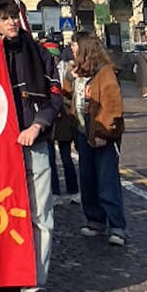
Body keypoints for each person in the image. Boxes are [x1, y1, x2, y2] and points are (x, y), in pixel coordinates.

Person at [0, 0, 63, 292]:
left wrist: (37, 125)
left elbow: (55, 97)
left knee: (40, 215)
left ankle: (35, 283)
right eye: (4, 18)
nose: (10, 22)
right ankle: (2, 275)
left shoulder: (41, 55)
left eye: (14, 16)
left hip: (35, 143)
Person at [65, 31, 127, 245]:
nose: (72, 49)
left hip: (102, 135)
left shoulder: (104, 73)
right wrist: (68, 79)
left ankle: (117, 226)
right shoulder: (78, 73)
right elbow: (66, 98)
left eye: (74, 45)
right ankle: (95, 221)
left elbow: (112, 104)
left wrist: (104, 132)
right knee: (88, 179)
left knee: (107, 181)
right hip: (83, 134)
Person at [50, 46, 80, 204]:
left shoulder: (67, 71)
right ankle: (55, 192)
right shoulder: (42, 71)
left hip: (63, 121)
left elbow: (72, 95)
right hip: (49, 123)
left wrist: (62, 100)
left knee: (65, 158)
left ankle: (73, 190)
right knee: (51, 161)